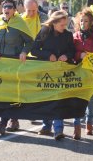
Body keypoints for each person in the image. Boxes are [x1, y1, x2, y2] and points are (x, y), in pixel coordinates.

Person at [0, 0, 34, 135]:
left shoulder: (20, 23)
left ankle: (3, 123)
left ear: (14, 10)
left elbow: (30, 41)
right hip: (1, 64)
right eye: (4, 7)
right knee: (4, 93)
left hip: (15, 64)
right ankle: (14, 119)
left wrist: (24, 52)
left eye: (9, 7)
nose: (6, 9)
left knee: (11, 92)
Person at [31, 10, 75, 140]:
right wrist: (47, 55)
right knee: (46, 98)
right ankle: (46, 126)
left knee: (58, 99)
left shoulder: (67, 35)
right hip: (45, 70)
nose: (64, 27)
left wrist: (66, 55)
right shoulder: (44, 31)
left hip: (60, 71)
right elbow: (34, 50)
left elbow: (72, 51)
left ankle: (58, 129)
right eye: (62, 25)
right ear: (54, 23)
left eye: (65, 24)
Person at [73, 8, 93, 139]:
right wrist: (79, 54)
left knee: (89, 99)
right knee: (76, 99)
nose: (83, 23)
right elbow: (71, 54)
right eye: (81, 21)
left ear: (91, 22)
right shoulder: (75, 36)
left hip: (91, 72)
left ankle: (89, 122)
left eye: (86, 21)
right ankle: (77, 125)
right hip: (76, 72)